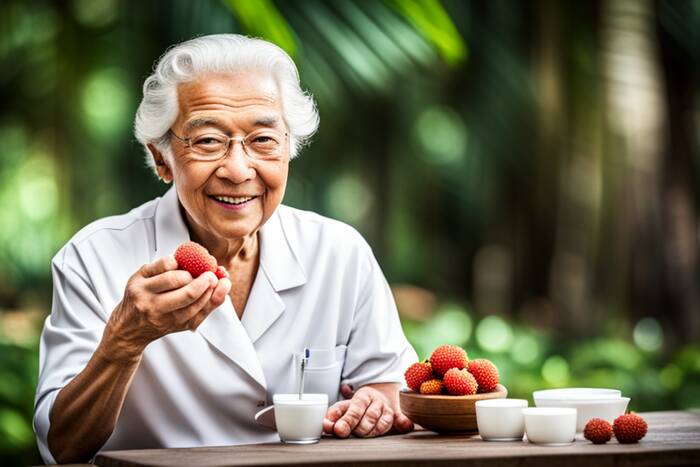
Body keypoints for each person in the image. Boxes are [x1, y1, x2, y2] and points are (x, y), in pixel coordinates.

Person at [33, 34, 417, 464]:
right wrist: (123, 341)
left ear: (289, 148)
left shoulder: (339, 252)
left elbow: (392, 388)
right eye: (209, 141)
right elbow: (62, 446)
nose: (237, 170)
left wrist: (374, 404)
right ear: (161, 159)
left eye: (263, 140)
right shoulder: (92, 257)